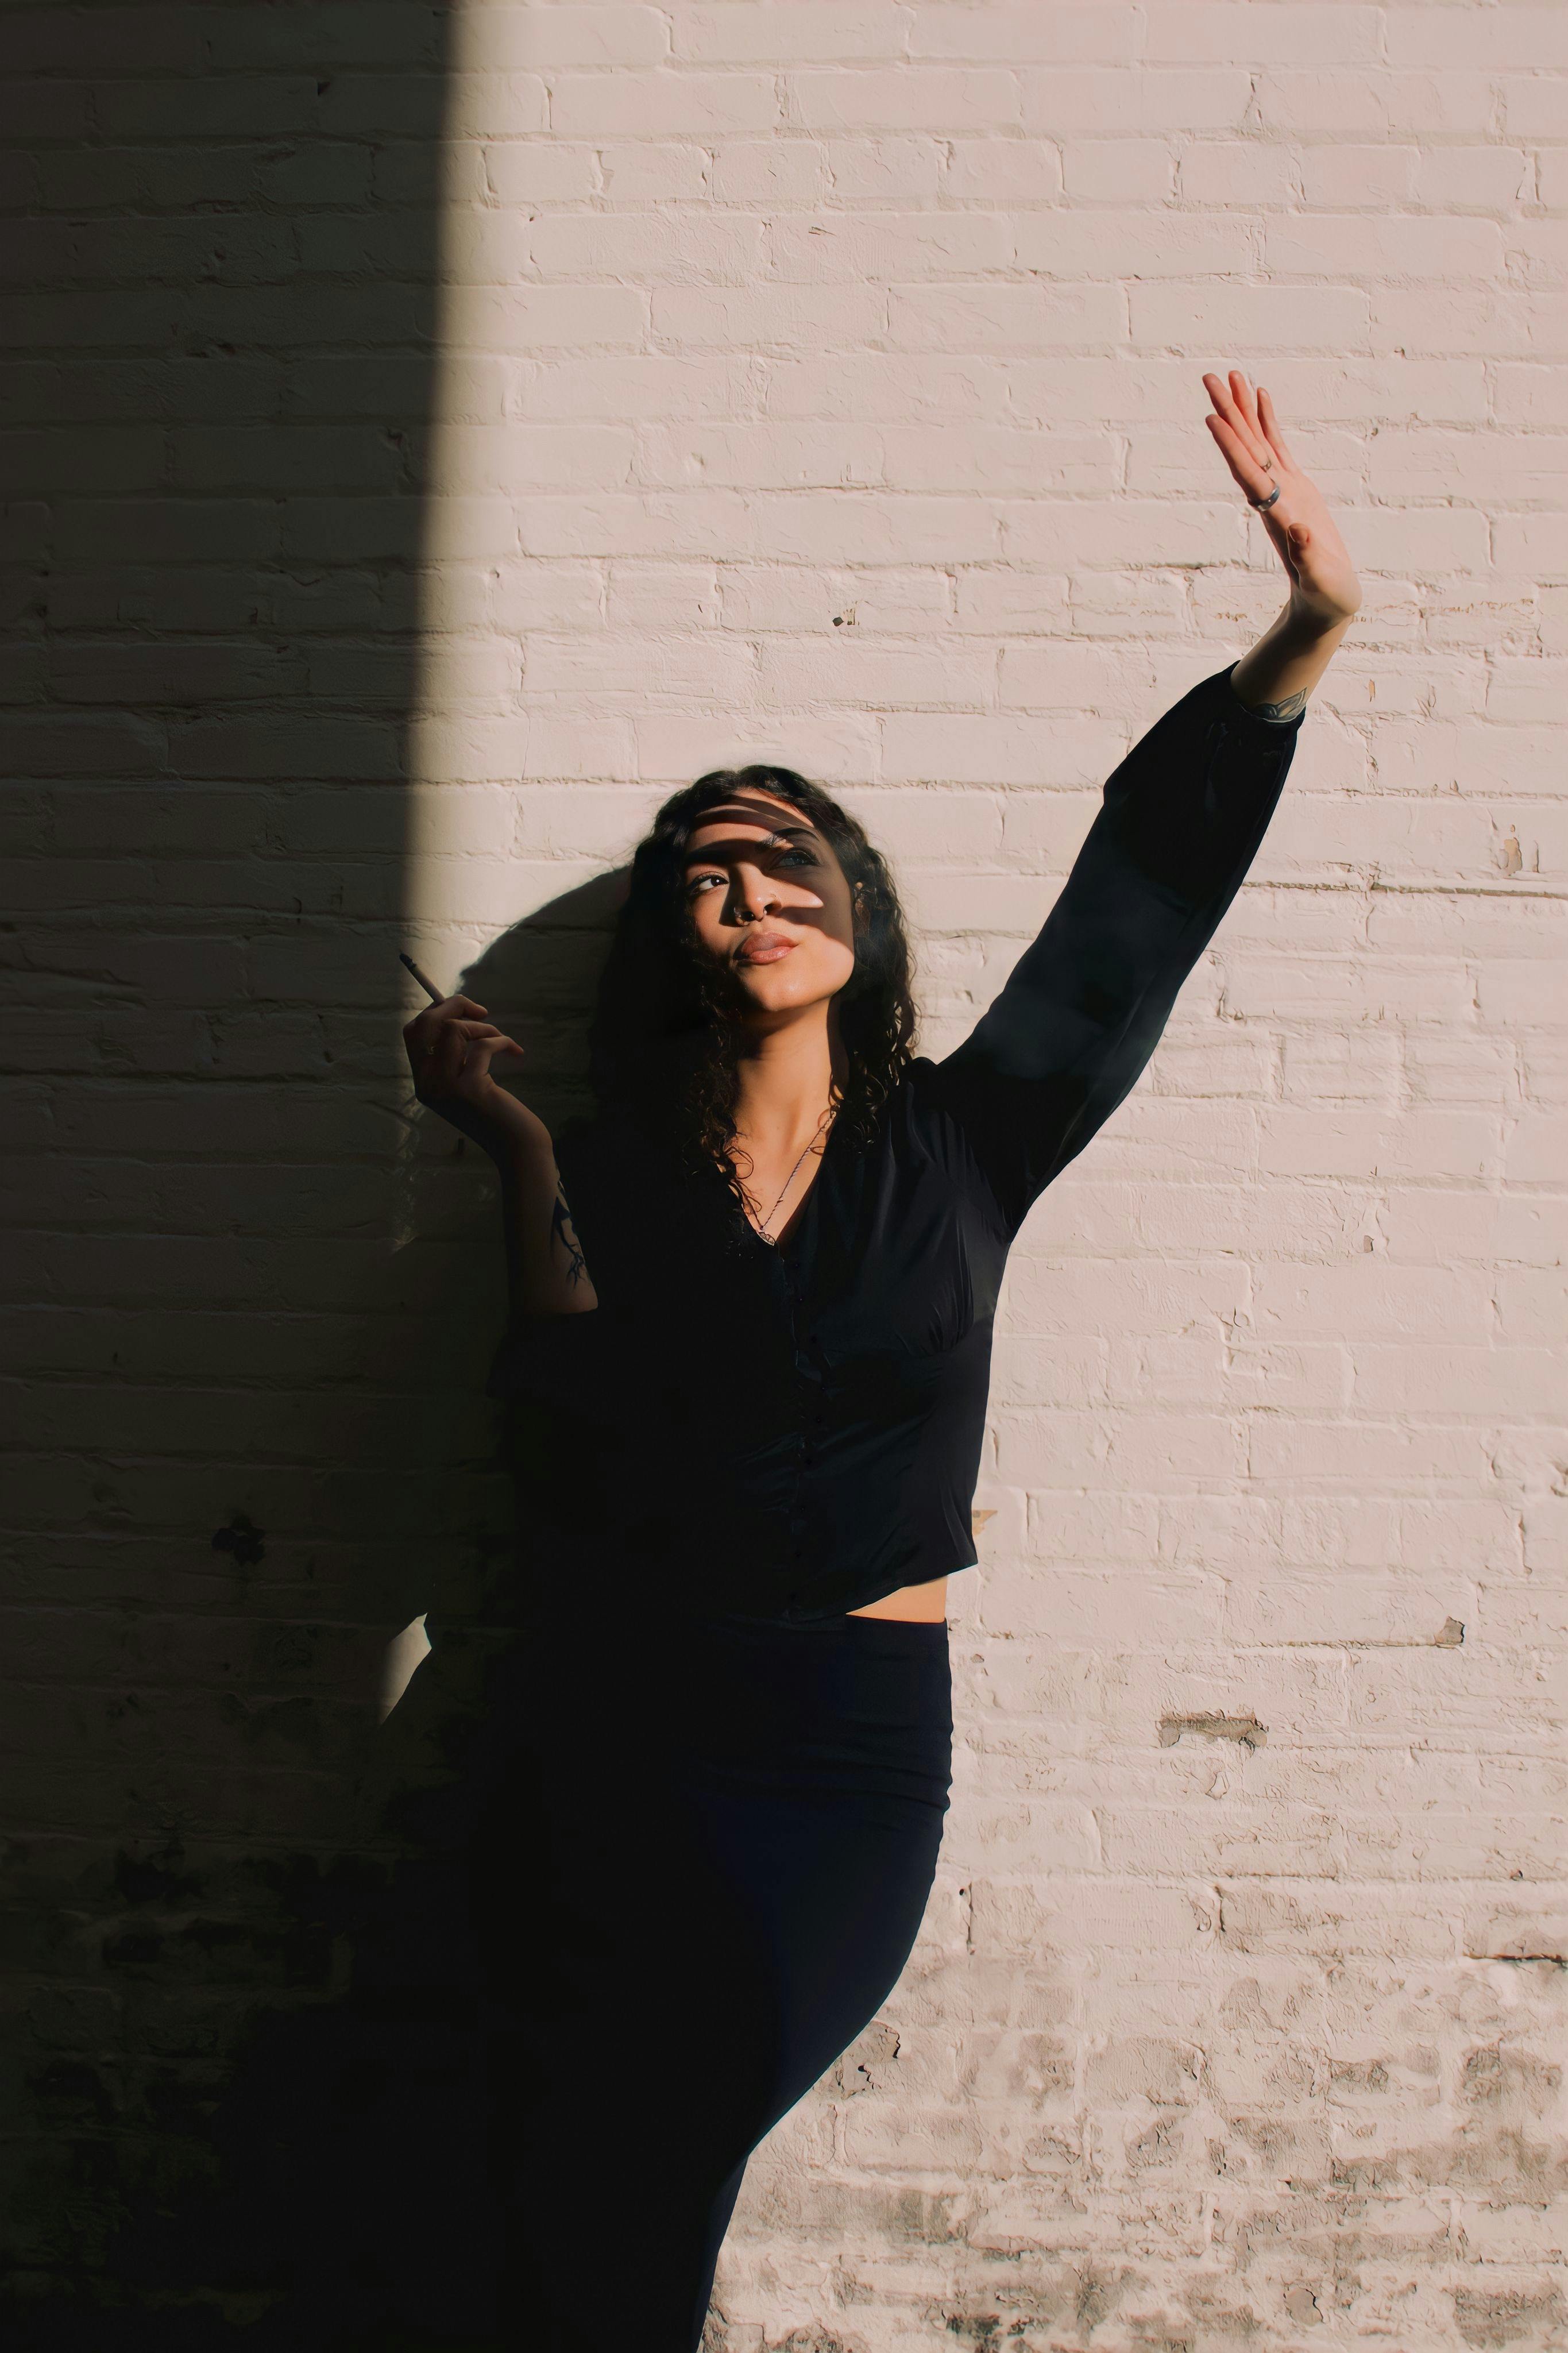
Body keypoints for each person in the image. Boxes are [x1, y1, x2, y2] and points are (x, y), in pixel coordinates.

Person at [397, 369, 1360, 2351]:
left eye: (781, 865)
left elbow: (1127, 924)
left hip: (842, 1750)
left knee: (643, 2149)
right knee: (584, 2169)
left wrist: (1297, 633)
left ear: (851, 909)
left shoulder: (963, 1141)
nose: (747, 896)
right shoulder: (603, 1172)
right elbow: (554, 1426)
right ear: (678, 947)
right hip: (616, 1720)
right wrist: (508, 1153)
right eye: (706, 880)